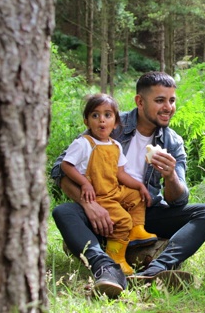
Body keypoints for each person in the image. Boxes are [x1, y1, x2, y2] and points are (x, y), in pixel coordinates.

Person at [51, 71, 205, 298]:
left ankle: (155, 271)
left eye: (172, 100)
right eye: (160, 100)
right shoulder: (110, 122)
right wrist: (88, 204)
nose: (168, 107)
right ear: (139, 102)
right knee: (64, 211)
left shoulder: (172, 142)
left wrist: (170, 176)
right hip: (104, 208)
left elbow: (179, 200)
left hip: (144, 213)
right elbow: (59, 168)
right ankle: (107, 269)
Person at [61, 93, 158, 276]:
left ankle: (137, 230)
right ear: (86, 121)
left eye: (107, 115)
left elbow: (120, 173)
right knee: (122, 220)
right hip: (98, 196)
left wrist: (139, 186)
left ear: (116, 122)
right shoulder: (83, 143)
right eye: (95, 116)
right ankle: (115, 256)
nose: (101, 121)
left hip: (114, 190)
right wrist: (84, 183)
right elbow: (66, 166)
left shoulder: (115, 145)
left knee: (136, 196)